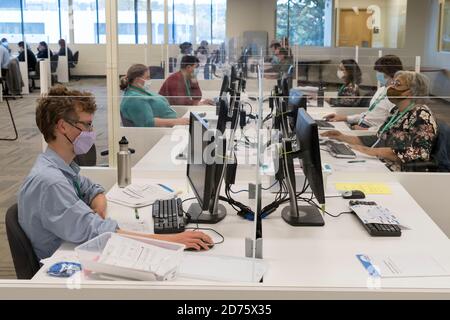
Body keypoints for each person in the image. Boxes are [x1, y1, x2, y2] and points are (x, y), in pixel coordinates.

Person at [18, 84, 213, 261]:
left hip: (72, 249)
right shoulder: (50, 182)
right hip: (64, 267)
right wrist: (173, 240)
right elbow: (101, 235)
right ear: (62, 127)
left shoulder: (62, 166)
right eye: (87, 125)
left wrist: (99, 207)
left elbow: (92, 188)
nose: (92, 131)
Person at [321, 71, 438, 172]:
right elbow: (378, 138)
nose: (391, 87)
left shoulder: (422, 117)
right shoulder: (397, 111)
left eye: (397, 84)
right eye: (393, 83)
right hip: (380, 162)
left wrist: (371, 151)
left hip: (399, 170)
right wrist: (342, 137)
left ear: (411, 92)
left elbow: (418, 153)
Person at [324, 55, 403, 130]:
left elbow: (391, 125)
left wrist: (366, 130)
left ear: (388, 73)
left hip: (370, 131)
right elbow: (368, 115)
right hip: (361, 124)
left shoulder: (395, 95)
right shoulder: (381, 90)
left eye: (379, 71)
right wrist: (344, 118)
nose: (377, 74)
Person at [120, 64, 189, 127]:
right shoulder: (134, 99)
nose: (149, 80)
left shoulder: (141, 91)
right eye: (147, 77)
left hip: (172, 126)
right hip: (161, 133)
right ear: (137, 80)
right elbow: (149, 122)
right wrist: (177, 121)